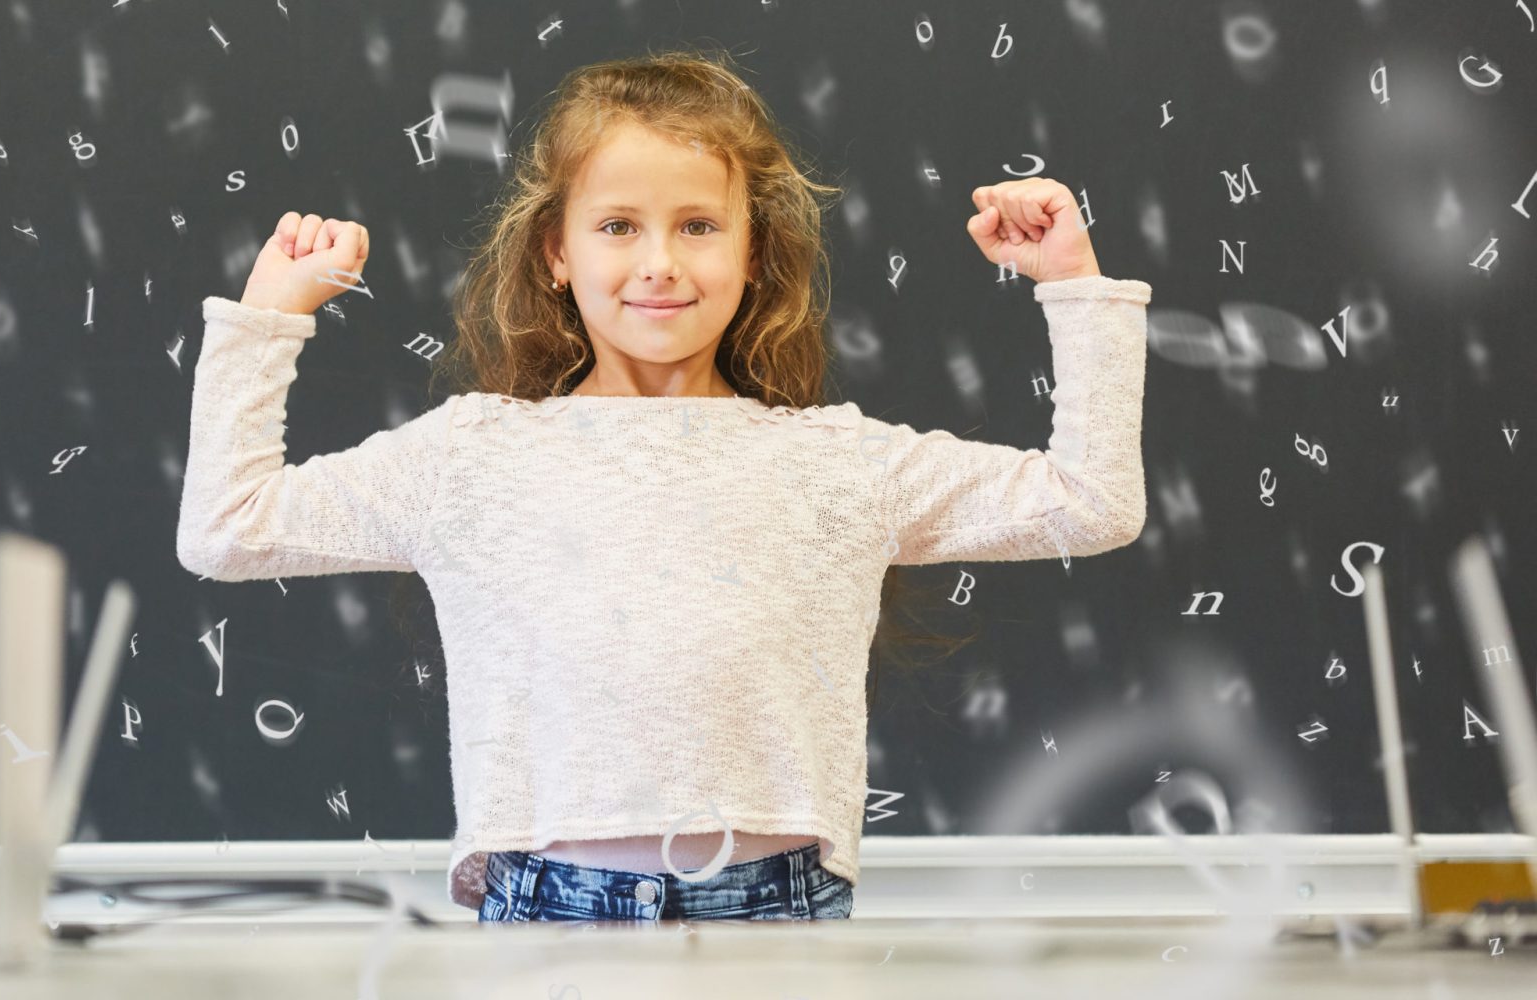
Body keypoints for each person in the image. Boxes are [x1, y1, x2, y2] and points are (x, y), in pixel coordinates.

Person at [176, 46, 1150, 924]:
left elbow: (1090, 501)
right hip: (542, 906)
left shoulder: (834, 460)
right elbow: (227, 528)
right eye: (615, 225)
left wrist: (1069, 282)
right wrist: (269, 316)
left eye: (695, 225)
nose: (657, 263)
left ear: (750, 252)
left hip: (775, 910)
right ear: (557, 253)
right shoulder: (470, 456)